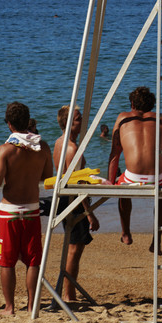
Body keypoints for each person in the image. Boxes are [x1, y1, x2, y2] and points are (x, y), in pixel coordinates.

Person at [0, 101, 53, 315]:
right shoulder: (42, 147)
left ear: (9, 124)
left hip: (10, 211)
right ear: (27, 121)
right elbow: (47, 176)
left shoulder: (5, 150)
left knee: (7, 262)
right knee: (32, 261)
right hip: (32, 208)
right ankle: (32, 305)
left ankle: (10, 307)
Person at [108, 86, 162, 253]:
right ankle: (157, 240)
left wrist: (110, 183)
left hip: (131, 178)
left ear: (132, 104)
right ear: (152, 105)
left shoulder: (122, 118)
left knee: (121, 186)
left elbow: (115, 154)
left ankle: (126, 232)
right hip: (157, 179)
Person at [49, 104, 100, 306]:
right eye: (78, 119)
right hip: (73, 198)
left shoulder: (58, 142)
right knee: (74, 249)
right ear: (68, 123)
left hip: (64, 196)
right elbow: (76, 184)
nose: (82, 122)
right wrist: (90, 213)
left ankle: (69, 292)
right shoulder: (72, 148)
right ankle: (69, 294)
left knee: (73, 247)